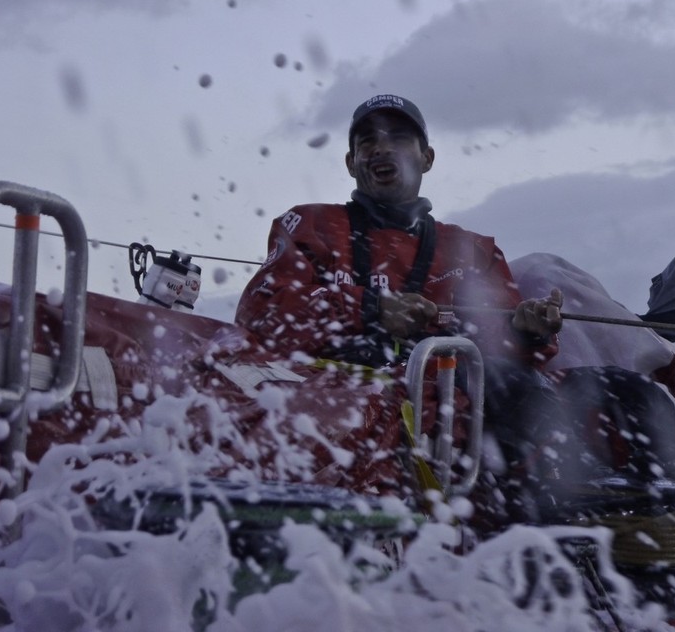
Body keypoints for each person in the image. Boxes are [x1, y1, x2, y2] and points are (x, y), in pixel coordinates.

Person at [235, 93, 572, 524]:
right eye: (367, 141)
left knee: (591, 393)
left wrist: (529, 330)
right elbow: (263, 315)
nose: (380, 147)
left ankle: (524, 542)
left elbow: (504, 355)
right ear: (350, 162)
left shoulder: (471, 250)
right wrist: (372, 309)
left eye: (398, 137)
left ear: (427, 158)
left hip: (453, 435)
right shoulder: (309, 225)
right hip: (336, 413)